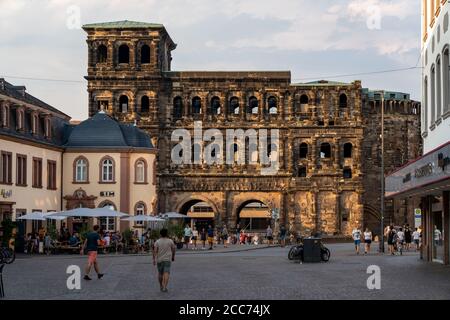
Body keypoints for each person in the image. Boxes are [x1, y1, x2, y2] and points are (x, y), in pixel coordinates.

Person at [153, 228, 176, 293]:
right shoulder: (170, 241)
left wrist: (154, 259)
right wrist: (173, 257)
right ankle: (165, 287)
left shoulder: (157, 241)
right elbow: (173, 249)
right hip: (167, 259)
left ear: (160, 234)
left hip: (159, 259)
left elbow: (155, 251)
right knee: (166, 273)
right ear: (167, 233)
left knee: (160, 273)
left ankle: (161, 286)